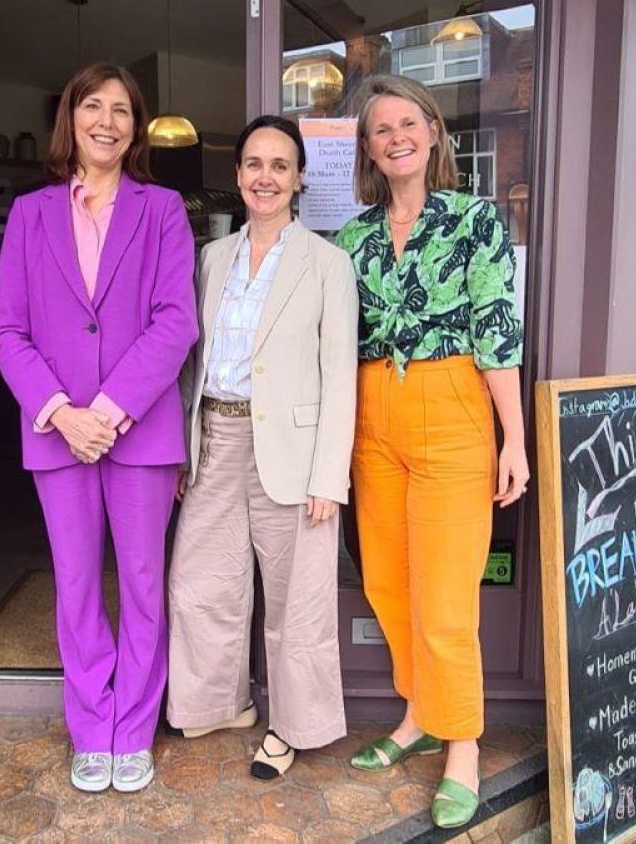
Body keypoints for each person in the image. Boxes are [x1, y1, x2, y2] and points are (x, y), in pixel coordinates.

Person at [0, 61, 198, 795]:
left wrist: (106, 413)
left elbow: (177, 321)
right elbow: (9, 331)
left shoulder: (163, 208)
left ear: (136, 128)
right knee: (77, 585)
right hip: (57, 434)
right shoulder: (29, 214)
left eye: (122, 110)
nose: (107, 121)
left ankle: (133, 729)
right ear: (70, 119)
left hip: (137, 434)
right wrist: (61, 414)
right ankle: (90, 727)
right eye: (93, 107)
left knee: (143, 583)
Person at [334, 74, 529, 829]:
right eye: (380, 129)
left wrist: (513, 437)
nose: (395, 137)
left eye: (407, 122)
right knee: (388, 583)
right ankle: (417, 715)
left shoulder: (475, 221)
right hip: (372, 414)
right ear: (368, 149)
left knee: (446, 598)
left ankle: (464, 746)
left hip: (452, 408)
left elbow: (497, 333)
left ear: (434, 133)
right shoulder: (350, 237)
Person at [166, 116, 358, 779]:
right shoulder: (210, 258)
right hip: (217, 436)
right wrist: (186, 451)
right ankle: (221, 702)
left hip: (295, 451)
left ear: (299, 178)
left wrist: (330, 475)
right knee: (200, 585)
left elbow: (340, 375)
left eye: (280, 165)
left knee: (295, 598)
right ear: (238, 175)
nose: (266, 177)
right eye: (254, 164)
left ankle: (292, 726)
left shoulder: (329, 264)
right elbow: (193, 363)